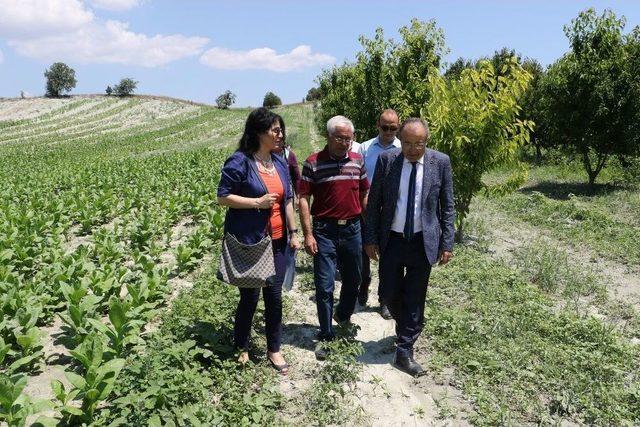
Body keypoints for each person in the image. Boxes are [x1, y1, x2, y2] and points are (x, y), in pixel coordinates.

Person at [364, 118, 454, 377]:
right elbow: (375, 202)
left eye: (419, 144)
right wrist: (370, 238)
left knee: (415, 296)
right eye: (407, 143)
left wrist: (447, 241)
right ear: (399, 141)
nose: (413, 149)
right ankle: (409, 328)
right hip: (392, 239)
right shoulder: (387, 161)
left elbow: (447, 205)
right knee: (388, 293)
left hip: (422, 241)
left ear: (427, 141)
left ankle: (404, 349)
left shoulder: (441, 162)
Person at [217, 107, 301, 375]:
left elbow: (287, 199)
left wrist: (294, 232)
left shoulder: (279, 162)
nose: (280, 135)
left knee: (274, 297)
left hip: (277, 240)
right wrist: (256, 202)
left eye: (281, 130)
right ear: (258, 132)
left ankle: (274, 349)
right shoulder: (240, 161)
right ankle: (241, 345)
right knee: (250, 297)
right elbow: (223, 197)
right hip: (252, 242)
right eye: (275, 130)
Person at [298, 115, 369, 360]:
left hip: (352, 230)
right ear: (328, 137)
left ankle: (343, 314)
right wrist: (308, 234)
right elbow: (303, 199)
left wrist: (368, 227)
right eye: (339, 138)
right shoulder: (313, 163)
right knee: (324, 285)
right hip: (324, 232)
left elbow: (364, 193)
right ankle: (326, 335)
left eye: (348, 139)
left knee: (354, 280)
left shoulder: (358, 161)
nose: (344, 143)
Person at [357, 109, 401, 319]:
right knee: (363, 251)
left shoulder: (403, 148)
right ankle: (363, 283)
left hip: (392, 212)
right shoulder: (365, 148)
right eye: (385, 127)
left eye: (393, 128)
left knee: (388, 257)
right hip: (366, 208)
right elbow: (356, 180)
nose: (389, 132)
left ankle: (384, 299)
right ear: (378, 125)